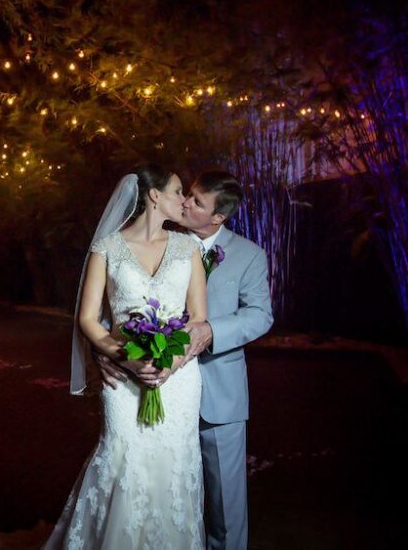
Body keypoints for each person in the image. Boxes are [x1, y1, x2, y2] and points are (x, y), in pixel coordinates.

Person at [95, 169, 274, 550]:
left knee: (225, 506)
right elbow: (119, 303)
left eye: (197, 202)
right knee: (152, 487)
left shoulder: (249, 255)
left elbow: (260, 315)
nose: (187, 203)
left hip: (219, 393)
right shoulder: (160, 240)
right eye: (187, 194)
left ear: (218, 217)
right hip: (149, 384)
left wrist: (211, 330)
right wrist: (109, 351)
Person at [41, 163, 208, 549]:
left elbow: (198, 318)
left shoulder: (188, 249)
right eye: (178, 191)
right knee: (122, 456)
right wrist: (126, 358)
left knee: (174, 464)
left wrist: (169, 365)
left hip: (179, 379)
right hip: (123, 377)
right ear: (154, 196)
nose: (184, 200)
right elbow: (87, 318)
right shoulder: (107, 248)